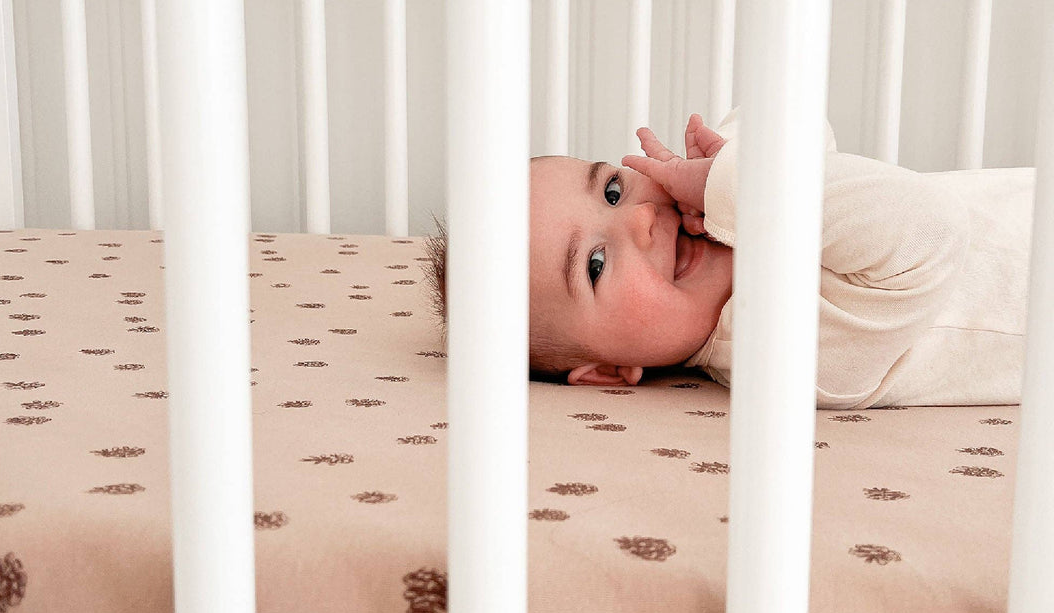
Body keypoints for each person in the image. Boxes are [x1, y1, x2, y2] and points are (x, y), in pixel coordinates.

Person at [421, 108, 1035, 408]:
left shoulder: (737, 222)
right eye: (596, 265)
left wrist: (722, 169)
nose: (642, 217)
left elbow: (799, 118)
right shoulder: (777, 350)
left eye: (612, 189)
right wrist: (733, 184)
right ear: (607, 371)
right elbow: (930, 234)